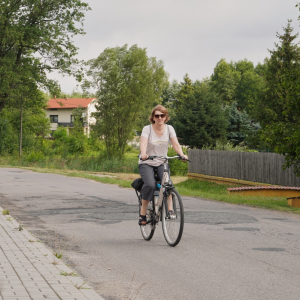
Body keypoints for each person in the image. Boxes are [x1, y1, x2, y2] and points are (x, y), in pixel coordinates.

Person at [138, 105, 188, 225]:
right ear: (153, 118)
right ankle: (143, 213)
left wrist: (181, 154)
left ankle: (170, 210)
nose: (160, 118)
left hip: (162, 161)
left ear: (165, 117)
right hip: (147, 162)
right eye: (157, 116)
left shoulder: (169, 129)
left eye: (162, 115)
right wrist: (144, 153)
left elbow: (175, 144)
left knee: (167, 184)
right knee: (150, 185)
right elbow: (143, 143)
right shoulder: (147, 129)